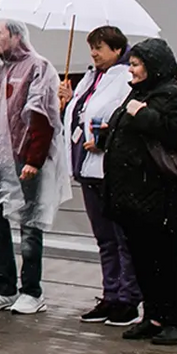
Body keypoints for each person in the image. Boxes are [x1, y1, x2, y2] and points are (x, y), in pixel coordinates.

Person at [0, 19, 69, 315]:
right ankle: (3, 288)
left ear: (17, 35)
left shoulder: (39, 67)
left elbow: (42, 115)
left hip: (25, 161)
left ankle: (32, 291)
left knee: (29, 225)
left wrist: (34, 160)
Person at [103, 40, 177, 345]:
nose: (131, 69)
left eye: (137, 64)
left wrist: (143, 115)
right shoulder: (139, 93)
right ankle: (153, 316)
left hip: (161, 199)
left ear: (154, 67)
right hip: (134, 199)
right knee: (143, 262)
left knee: (163, 261)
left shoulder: (171, 96)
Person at [64, 27, 139, 325]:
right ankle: (110, 294)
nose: (94, 53)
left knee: (122, 238)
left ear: (117, 50)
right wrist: (68, 102)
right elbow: (77, 117)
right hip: (86, 166)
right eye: (92, 47)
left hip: (110, 168)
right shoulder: (90, 77)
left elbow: (123, 121)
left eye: (100, 47)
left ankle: (128, 298)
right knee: (104, 238)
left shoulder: (124, 79)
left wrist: (104, 141)